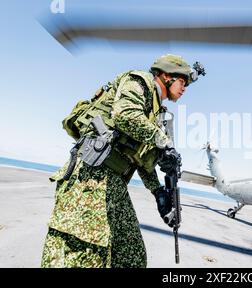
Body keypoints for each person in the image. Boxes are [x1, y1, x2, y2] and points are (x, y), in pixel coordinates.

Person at [41, 54, 204, 268]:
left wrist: (159, 194)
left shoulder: (156, 115)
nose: (184, 89)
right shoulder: (139, 82)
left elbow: (143, 160)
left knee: (132, 257)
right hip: (91, 179)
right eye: (182, 82)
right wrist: (165, 144)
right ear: (166, 76)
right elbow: (125, 115)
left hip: (115, 185)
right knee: (84, 254)